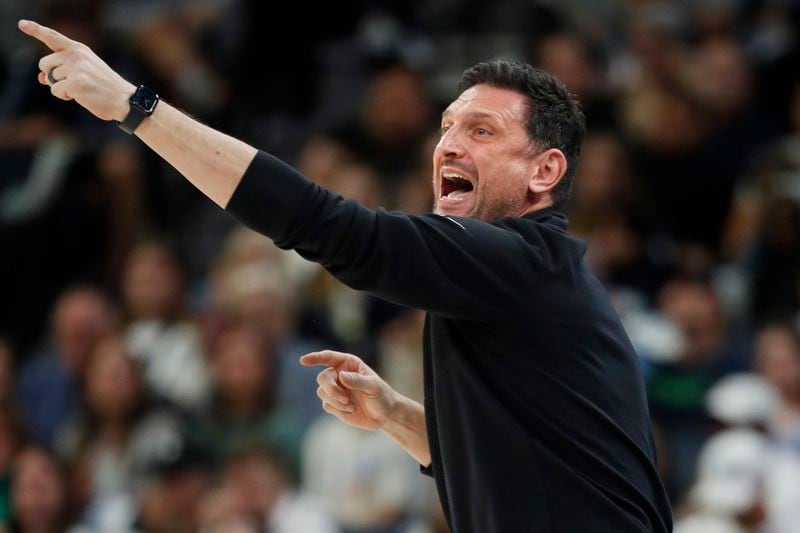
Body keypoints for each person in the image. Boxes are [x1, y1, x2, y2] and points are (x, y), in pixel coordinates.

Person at [18, 19, 673, 532]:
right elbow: (517, 466)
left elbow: (328, 225)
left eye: (482, 130)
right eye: (446, 128)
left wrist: (137, 110)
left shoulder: (518, 261)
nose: (448, 144)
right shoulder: (520, 284)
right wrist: (396, 416)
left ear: (544, 173)